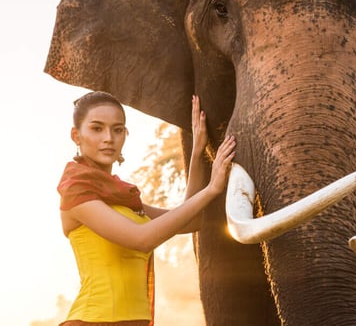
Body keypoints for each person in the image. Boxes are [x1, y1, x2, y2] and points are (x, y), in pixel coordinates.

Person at [57, 91, 235, 326]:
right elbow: (142, 239)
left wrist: (197, 151)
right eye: (97, 128)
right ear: (76, 135)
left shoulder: (123, 197)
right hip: (92, 321)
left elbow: (191, 221)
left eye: (118, 129)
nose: (109, 138)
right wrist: (211, 189)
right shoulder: (75, 191)